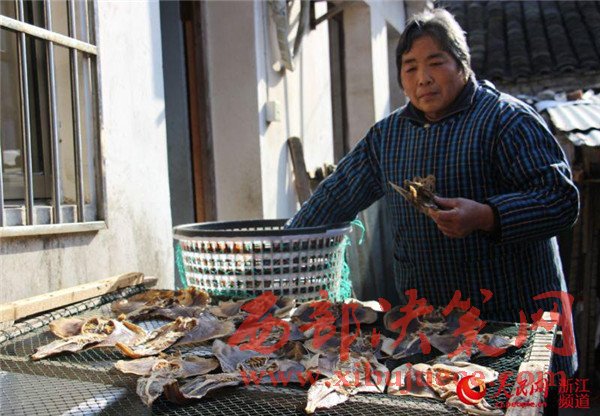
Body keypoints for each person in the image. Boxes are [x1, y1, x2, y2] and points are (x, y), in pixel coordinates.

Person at [287, 9, 579, 377]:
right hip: (431, 334)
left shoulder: (507, 120)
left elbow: (560, 200)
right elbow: (334, 196)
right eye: (410, 68)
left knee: (525, 399)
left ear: (462, 64)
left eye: (435, 63)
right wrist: (283, 247)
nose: (423, 78)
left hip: (515, 326)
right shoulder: (388, 137)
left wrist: (486, 215)